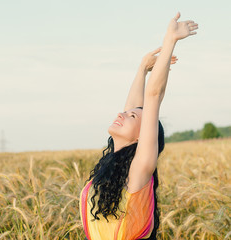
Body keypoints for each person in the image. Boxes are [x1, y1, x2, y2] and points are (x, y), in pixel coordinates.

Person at [79, 12, 198, 240]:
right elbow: (135, 107)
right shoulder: (110, 169)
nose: (121, 114)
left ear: (140, 138)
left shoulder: (138, 172)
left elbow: (153, 96)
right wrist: (142, 68)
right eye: (125, 112)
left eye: (130, 117)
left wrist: (169, 40)